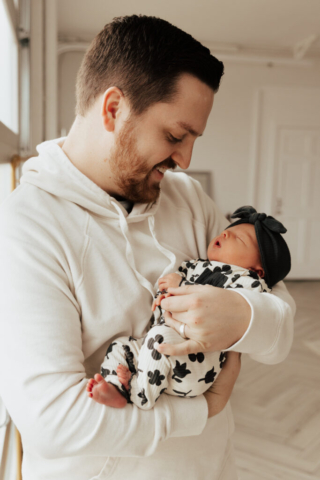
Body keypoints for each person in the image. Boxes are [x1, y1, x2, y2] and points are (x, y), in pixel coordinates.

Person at [0, 15, 295, 480]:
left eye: (192, 140)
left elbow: (281, 325)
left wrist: (242, 316)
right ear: (114, 109)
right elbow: (53, 423)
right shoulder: (28, 224)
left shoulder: (189, 199)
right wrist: (202, 412)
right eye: (176, 136)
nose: (185, 160)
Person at [86, 206, 291, 410]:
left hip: (195, 363)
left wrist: (181, 286)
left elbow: (240, 306)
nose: (226, 232)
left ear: (258, 270)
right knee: (121, 346)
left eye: (239, 239)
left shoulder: (247, 281)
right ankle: (115, 387)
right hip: (156, 353)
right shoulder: (195, 266)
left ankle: (141, 396)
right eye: (227, 230)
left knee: (160, 336)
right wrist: (167, 290)